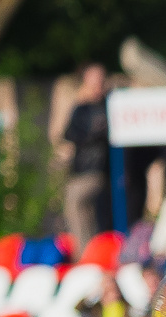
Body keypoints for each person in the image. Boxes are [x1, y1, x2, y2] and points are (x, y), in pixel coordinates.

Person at [62, 64, 111, 250]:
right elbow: (69, 134)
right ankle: (88, 249)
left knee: (75, 199)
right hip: (80, 170)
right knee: (82, 210)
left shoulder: (108, 106)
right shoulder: (81, 108)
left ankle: (86, 251)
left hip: (97, 171)